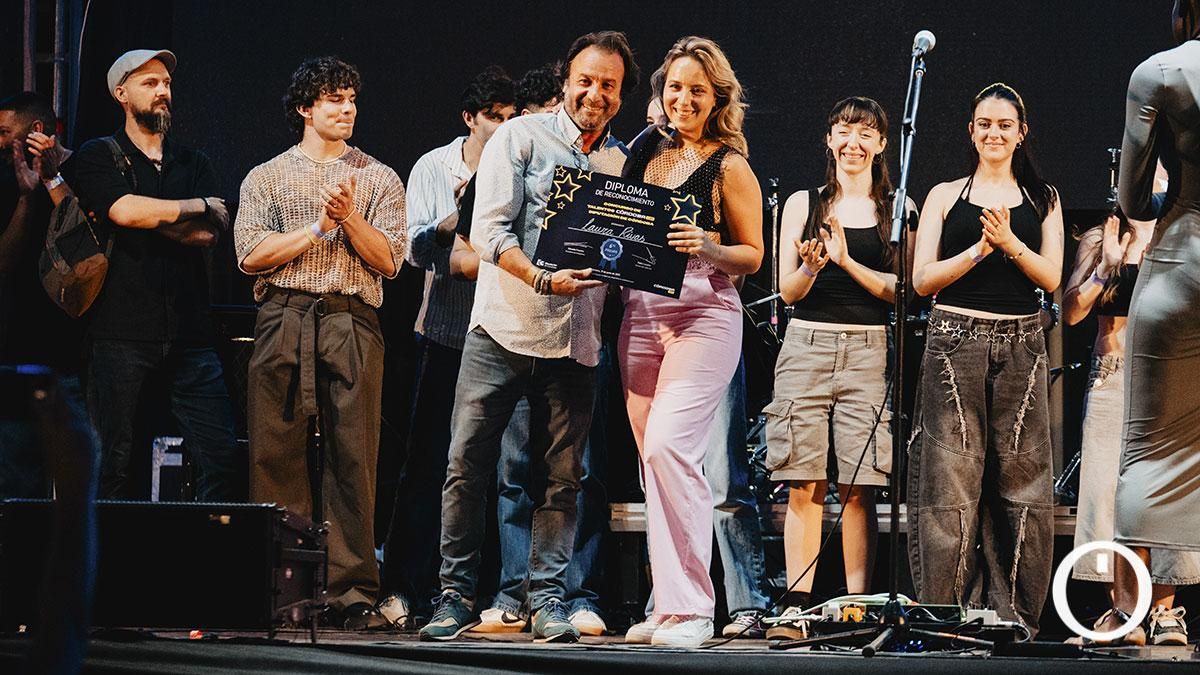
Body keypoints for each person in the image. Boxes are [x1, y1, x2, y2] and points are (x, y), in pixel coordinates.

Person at [421, 31, 637, 644]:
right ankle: (455, 596)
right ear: (567, 80)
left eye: (609, 86)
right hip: (502, 330)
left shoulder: (621, 166)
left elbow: (626, 256)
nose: (595, 94)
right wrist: (542, 278)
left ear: (620, 96)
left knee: (562, 478)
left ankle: (546, 599)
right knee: (467, 465)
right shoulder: (520, 136)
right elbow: (487, 233)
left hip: (575, 341)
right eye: (587, 80)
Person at [234, 56, 407, 630]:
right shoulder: (267, 176)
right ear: (306, 108)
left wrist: (350, 219)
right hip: (285, 315)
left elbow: (388, 261)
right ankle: (285, 587)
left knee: (353, 456)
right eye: (334, 99)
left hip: (351, 318)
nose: (347, 109)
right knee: (275, 452)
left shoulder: (378, 177)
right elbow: (250, 256)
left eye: (352, 98)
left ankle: (352, 591)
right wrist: (316, 230)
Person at [619, 36, 763, 648]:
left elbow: (752, 254)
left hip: (703, 313)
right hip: (641, 315)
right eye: (674, 87)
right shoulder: (643, 154)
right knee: (655, 466)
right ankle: (667, 602)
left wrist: (706, 245)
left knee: (671, 451)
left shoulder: (729, 165)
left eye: (696, 90)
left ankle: (696, 609)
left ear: (716, 99)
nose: (683, 98)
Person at [907, 82, 1063, 635]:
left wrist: (1010, 243)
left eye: (1004, 125)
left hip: (1020, 343)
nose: (993, 133)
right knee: (950, 484)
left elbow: (1052, 278)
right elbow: (921, 279)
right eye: (984, 124)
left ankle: (1013, 618)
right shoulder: (945, 195)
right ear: (971, 132)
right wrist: (979, 247)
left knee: (1020, 485)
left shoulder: (1042, 198)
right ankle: (946, 616)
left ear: (1021, 133)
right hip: (954, 340)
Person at [764, 96, 909, 639]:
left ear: (881, 144)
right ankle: (796, 608)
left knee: (859, 483)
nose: (853, 142)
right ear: (829, 140)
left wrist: (848, 262)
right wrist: (810, 265)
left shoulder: (897, 207)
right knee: (803, 478)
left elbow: (905, 291)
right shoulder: (804, 203)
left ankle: (855, 610)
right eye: (843, 131)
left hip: (870, 348)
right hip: (807, 344)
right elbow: (788, 290)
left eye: (864, 132)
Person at [66, 50, 238, 501]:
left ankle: (202, 561)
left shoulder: (192, 161)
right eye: (149, 83)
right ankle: (108, 568)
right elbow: (124, 211)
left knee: (220, 456)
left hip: (190, 334)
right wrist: (194, 205)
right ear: (121, 94)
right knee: (113, 463)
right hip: (119, 332)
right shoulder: (98, 155)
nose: (162, 91)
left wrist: (153, 217)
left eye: (165, 83)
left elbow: (207, 235)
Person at [378, 66, 514, 629]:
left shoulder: (522, 159)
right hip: (445, 334)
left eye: (512, 118)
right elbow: (421, 250)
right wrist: (467, 223)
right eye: (493, 119)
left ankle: (479, 592)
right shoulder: (434, 166)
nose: (504, 128)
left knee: (493, 469)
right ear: (469, 118)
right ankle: (402, 585)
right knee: (429, 463)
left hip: (505, 334)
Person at [1102, 0, 1200, 647]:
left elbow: (1134, 200)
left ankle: (1134, 613)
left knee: (1148, 447)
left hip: (1181, 263)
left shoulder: (1160, 72)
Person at [1064, 196, 1199, 646]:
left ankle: (1163, 612)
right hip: (1114, 378)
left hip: (1172, 377)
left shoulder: (1187, 237)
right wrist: (1106, 267)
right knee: (1107, 491)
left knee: (1166, 491)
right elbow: (1072, 312)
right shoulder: (1102, 237)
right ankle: (1124, 611)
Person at [0, 92, 88, 500]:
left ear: (37, 131)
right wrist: (24, 197)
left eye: (5, 132)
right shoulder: (8, 178)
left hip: (75, 351)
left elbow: (88, 250)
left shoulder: (88, 169)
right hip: (18, 352)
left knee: (78, 478)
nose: (0, 142)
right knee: (19, 479)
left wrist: (52, 180)